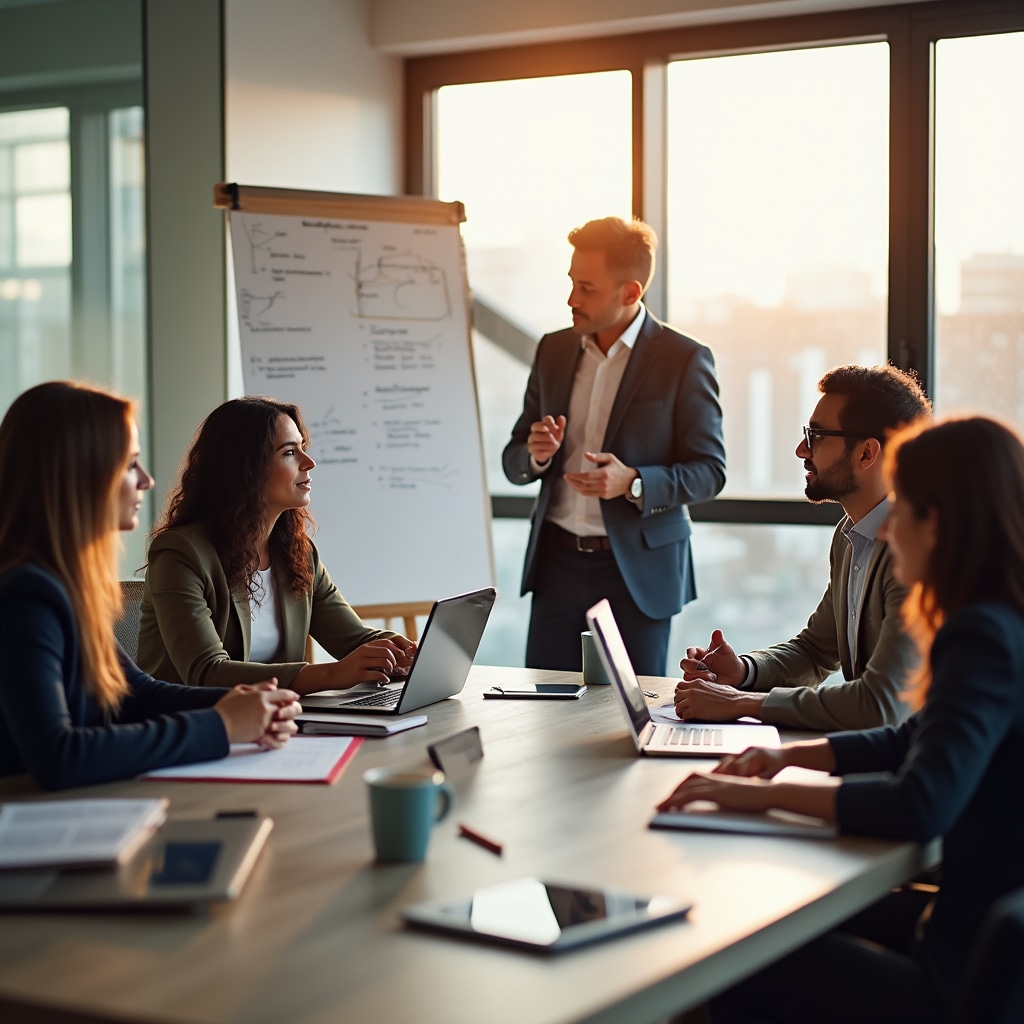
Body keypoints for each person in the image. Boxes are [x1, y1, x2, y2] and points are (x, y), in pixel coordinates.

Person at [659, 415, 1024, 1024]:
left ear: (938, 524)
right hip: (978, 932)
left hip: (959, 978)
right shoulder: (1004, 618)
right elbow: (914, 736)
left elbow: (920, 804)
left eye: (903, 510)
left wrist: (752, 802)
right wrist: (784, 760)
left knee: (727, 952)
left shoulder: (979, 634)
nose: (888, 531)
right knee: (773, 911)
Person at [0, 381, 299, 790]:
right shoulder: (24, 596)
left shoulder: (62, 585)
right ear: (77, 474)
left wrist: (246, 704)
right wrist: (222, 725)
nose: (146, 480)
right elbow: (58, 756)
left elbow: (136, 694)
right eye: (129, 464)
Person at [502, 216, 726, 676]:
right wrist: (537, 453)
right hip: (556, 565)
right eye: (571, 283)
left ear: (630, 292)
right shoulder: (553, 350)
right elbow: (514, 457)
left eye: (587, 288)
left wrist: (635, 482)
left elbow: (710, 470)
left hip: (637, 575)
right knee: (543, 713)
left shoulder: (683, 359)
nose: (571, 299)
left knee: (630, 722)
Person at [675, 364, 931, 730]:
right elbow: (815, 651)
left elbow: (881, 705)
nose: (801, 450)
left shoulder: (915, 552)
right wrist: (743, 671)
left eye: (817, 436)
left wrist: (742, 703)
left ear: (866, 454)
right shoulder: (850, 536)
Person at [137, 396, 416, 694]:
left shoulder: (297, 553)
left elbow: (354, 638)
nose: (309, 463)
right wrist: (334, 674)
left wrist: (399, 650)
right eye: (290, 452)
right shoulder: (180, 554)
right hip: (193, 727)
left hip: (273, 725)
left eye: (303, 449)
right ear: (245, 467)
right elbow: (206, 672)